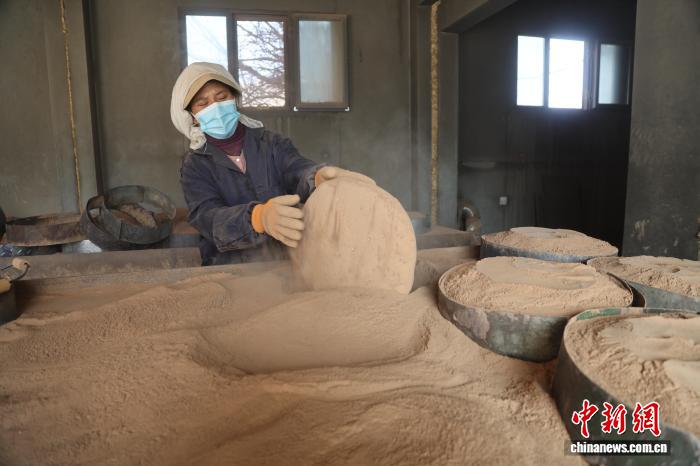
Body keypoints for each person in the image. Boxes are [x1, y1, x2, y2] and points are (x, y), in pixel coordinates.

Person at [171, 62, 369, 265]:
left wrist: (316, 176)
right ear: (193, 117)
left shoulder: (271, 143)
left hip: (285, 261)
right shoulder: (195, 165)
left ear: (234, 99)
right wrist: (258, 218)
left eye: (221, 97)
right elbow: (207, 217)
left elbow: (295, 169)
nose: (215, 107)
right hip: (228, 267)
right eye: (203, 104)